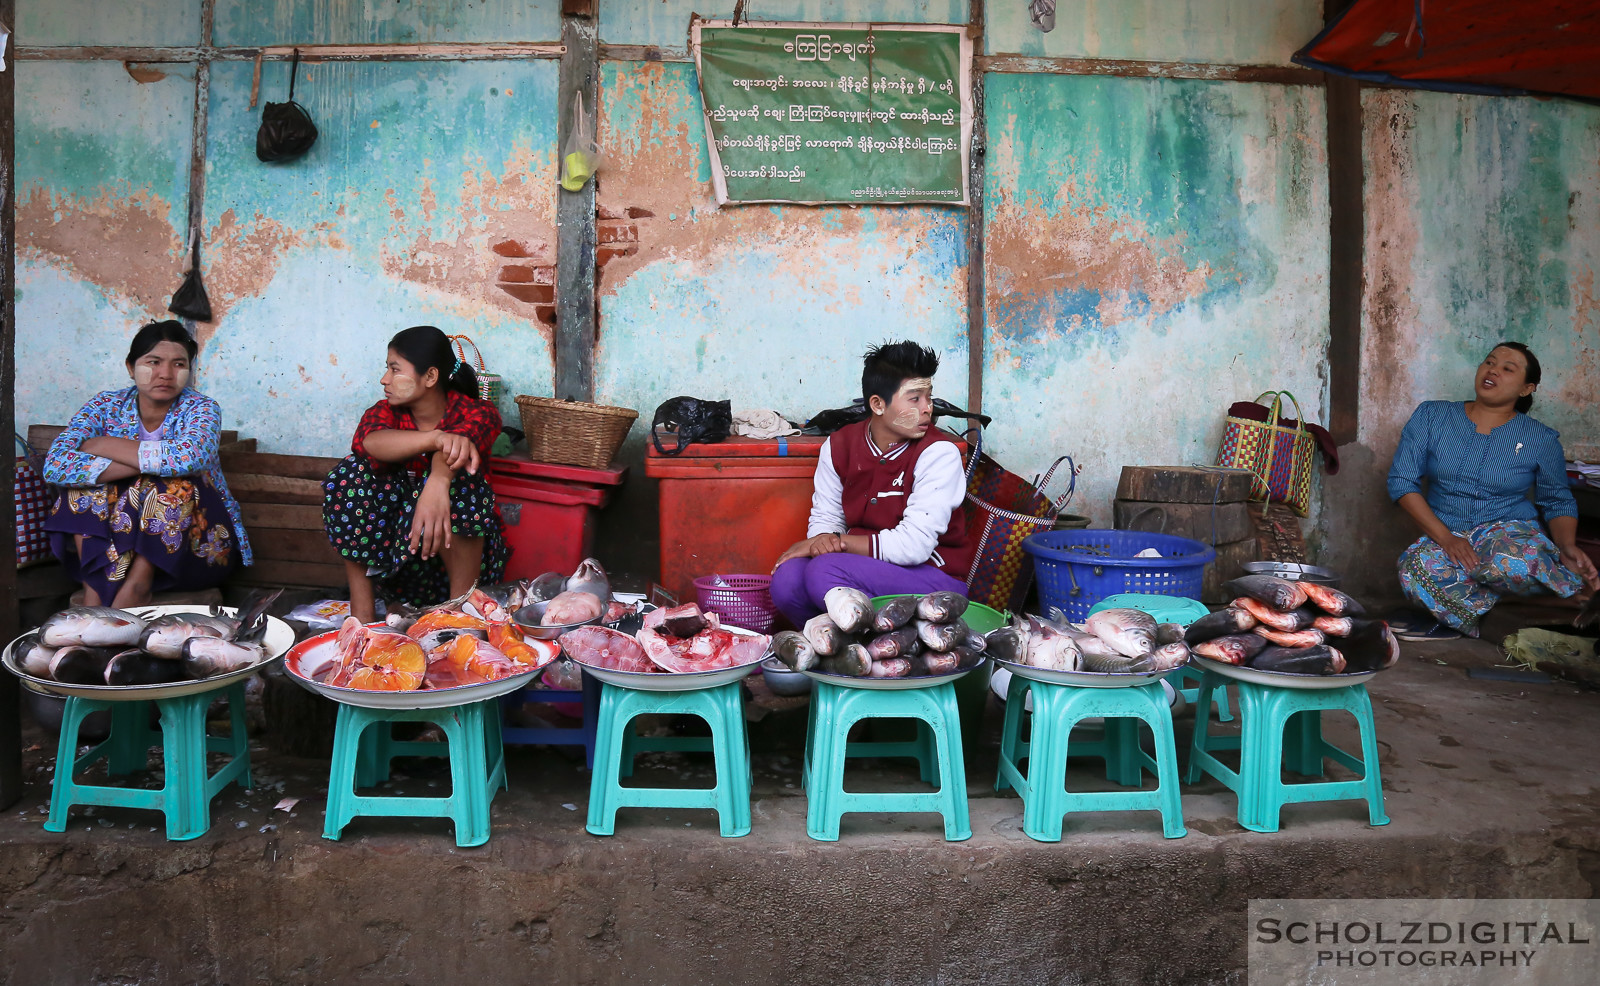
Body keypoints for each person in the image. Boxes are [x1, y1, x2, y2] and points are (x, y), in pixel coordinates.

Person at [1387, 341, 1599, 638]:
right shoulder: (1432, 417)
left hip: (1509, 532)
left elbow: (1557, 501)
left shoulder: (1540, 438)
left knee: (1510, 561)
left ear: (1526, 389)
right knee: (1415, 568)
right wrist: (1447, 539)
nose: (1493, 371)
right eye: (1489, 362)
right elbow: (1402, 482)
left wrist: (1566, 546)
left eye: (1507, 369)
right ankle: (1516, 607)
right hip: (1446, 532)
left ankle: (1464, 611)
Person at [43, 320, 251, 607]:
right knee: (82, 487)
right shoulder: (105, 406)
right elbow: (56, 465)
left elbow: (190, 458)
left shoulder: (202, 408)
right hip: (115, 547)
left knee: (174, 485)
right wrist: (154, 461)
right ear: (131, 367)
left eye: (179, 364)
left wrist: (103, 445)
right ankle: (93, 585)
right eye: (153, 362)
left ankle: (138, 587)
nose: (165, 374)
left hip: (192, 549)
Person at [770, 340, 974, 627]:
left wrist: (837, 545)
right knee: (788, 580)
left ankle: (865, 642)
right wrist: (823, 540)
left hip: (931, 577)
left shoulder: (939, 453)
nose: (928, 408)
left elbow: (914, 546)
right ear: (878, 404)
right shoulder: (839, 446)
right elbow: (826, 518)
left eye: (929, 396)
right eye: (914, 399)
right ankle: (844, 645)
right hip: (855, 567)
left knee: (824, 570)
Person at [323, 326, 508, 622]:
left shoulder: (478, 413)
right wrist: (434, 438)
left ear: (431, 376)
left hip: (460, 565)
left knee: (462, 481)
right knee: (352, 473)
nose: (385, 379)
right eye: (387, 369)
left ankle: (461, 614)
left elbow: (458, 447)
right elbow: (369, 443)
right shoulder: (384, 413)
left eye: (395, 370)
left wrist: (437, 482)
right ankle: (363, 617)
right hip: (400, 560)